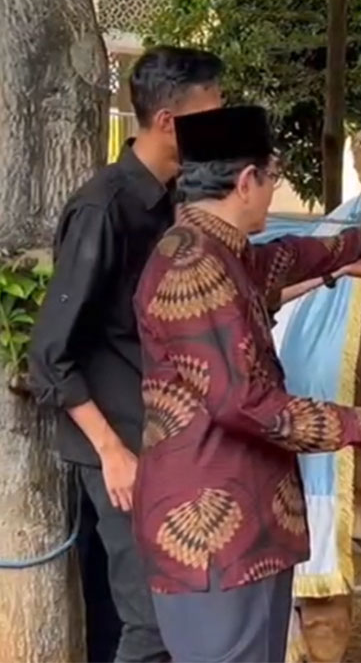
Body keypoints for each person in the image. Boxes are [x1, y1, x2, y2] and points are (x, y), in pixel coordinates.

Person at [131, 105, 361, 663]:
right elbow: (246, 403)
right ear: (248, 180)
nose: (273, 191)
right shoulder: (194, 266)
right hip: (213, 532)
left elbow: (287, 258)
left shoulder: (220, 251)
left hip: (250, 527)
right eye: (272, 177)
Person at [28, 44, 225, 663]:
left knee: (168, 613)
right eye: (211, 112)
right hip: (118, 448)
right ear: (168, 120)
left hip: (164, 442)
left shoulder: (174, 204)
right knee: (149, 623)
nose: (221, 125)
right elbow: (50, 354)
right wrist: (111, 453)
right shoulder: (104, 208)